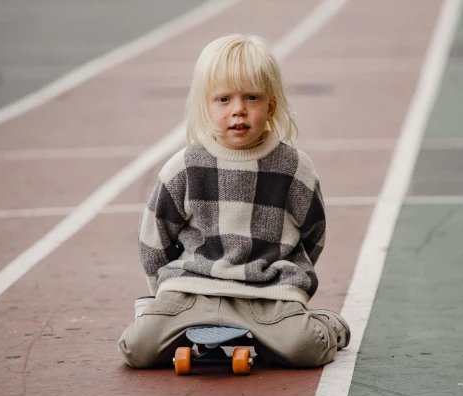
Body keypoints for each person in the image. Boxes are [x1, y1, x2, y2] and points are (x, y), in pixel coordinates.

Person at [118, 34, 350, 369]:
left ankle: (326, 324)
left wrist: (288, 278)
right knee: (136, 349)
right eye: (224, 99)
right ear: (205, 105)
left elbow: (313, 231)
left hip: (267, 293)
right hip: (193, 289)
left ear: (270, 105)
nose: (238, 109)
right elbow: (155, 236)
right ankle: (178, 323)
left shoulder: (294, 167)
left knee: (305, 349)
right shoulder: (185, 165)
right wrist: (164, 290)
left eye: (251, 97)